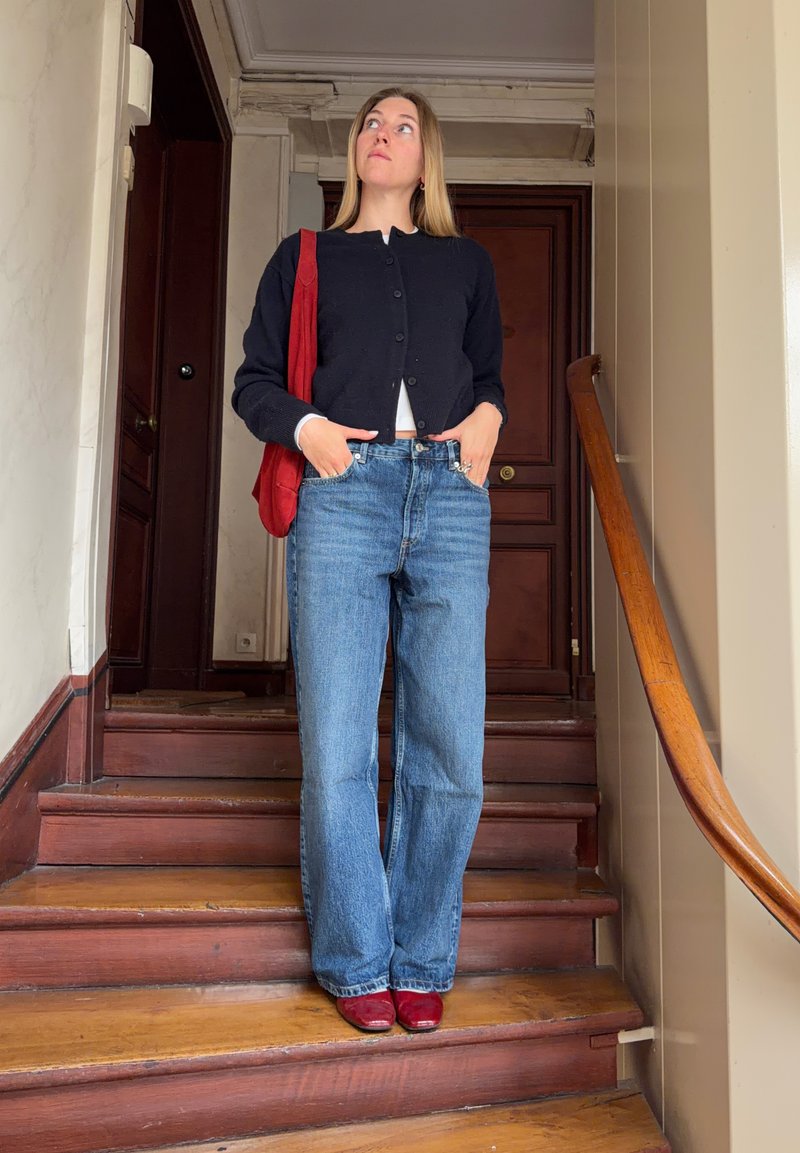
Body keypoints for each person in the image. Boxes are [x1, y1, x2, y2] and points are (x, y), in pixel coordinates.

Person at [232, 86, 507, 1034]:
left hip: (450, 498)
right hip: (342, 496)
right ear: (353, 151)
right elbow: (254, 381)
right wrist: (307, 431)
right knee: (341, 746)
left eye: (403, 127)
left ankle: (423, 955)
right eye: (370, 124)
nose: (381, 135)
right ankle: (357, 961)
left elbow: (493, 378)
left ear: (426, 159)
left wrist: (489, 419)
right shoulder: (304, 257)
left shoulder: (465, 263)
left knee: (450, 751)